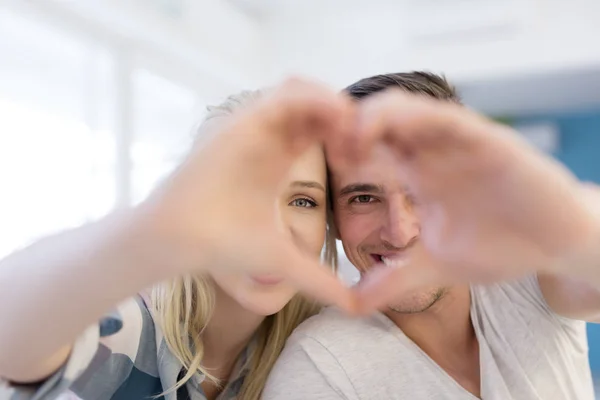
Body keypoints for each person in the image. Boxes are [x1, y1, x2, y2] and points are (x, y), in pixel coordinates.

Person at [0, 80, 357, 400]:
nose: (273, 232)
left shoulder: (319, 351)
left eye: (303, 201)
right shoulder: (130, 329)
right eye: (243, 194)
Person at [262, 72, 600, 399]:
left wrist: (560, 209)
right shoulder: (321, 368)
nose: (399, 231)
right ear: (333, 219)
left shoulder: (528, 275)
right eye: (363, 198)